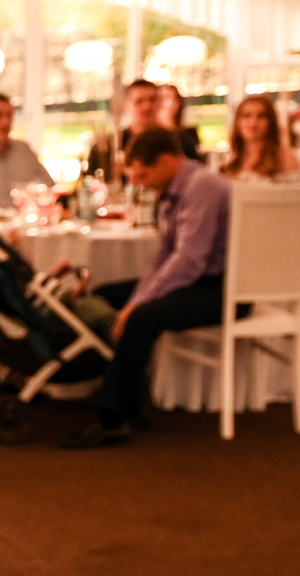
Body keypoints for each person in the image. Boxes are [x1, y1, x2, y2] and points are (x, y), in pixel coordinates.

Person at [62, 131, 232, 450]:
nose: (139, 184)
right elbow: (163, 258)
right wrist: (134, 299)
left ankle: (113, 418)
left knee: (142, 317)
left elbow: (188, 261)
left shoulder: (203, 187)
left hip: (221, 290)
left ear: (166, 162)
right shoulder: (174, 190)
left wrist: (135, 307)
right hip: (197, 282)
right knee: (104, 295)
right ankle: (128, 386)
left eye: (143, 175)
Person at [83, 77, 164, 180]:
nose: (147, 106)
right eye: (139, 101)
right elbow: (91, 182)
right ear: (126, 106)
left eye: (152, 100)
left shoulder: (174, 142)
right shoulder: (111, 144)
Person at [220, 92, 299, 182]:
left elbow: (294, 194)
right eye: (246, 116)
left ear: (271, 122)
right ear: (237, 122)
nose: (253, 122)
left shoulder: (285, 158)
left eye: (261, 116)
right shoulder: (229, 159)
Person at [154, 82, 204, 158]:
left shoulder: (189, 134)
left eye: (175, 98)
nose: (170, 103)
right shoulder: (151, 135)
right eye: (165, 98)